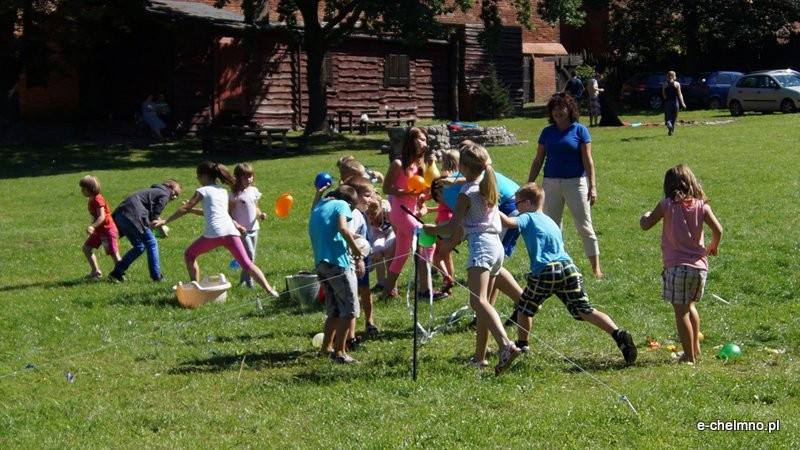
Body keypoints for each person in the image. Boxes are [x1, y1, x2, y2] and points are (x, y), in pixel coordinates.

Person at [501, 183, 638, 365]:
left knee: (524, 307)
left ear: (527, 203)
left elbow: (509, 223)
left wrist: (492, 210)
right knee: (584, 310)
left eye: (516, 203)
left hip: (546, 271)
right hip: (569, 268)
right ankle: (618, 334)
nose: (515, 207)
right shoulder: (549, 220)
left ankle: (522, 344)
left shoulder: (527, 217)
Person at [423, 143, 521, 375]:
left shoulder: (466, 194)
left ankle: (506, 345)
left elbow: (451, 227)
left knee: (479, 302)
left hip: (481, 248)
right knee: (483, 304)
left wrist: (430, 229)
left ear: (464, 167)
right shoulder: (489, 185)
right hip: (496, 246)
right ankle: (479, 358)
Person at [153, 162, 280, 297]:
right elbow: (214, 212)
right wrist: (236, 226)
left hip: (214, 234)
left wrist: (165, 221)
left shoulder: (202, 190)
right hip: (231, 232)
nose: (198, 180)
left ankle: (196, 289)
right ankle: (270, 290)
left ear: (204, 176)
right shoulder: (222, 191)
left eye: (198, 177)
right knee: (247, 264)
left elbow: (186, 207)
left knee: (189, 254)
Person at [639, 164, 723, 364]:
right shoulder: (703, 206)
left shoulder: (666, 205)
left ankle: (689, 357)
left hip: (676, 267)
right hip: (699, 268)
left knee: (681, 312)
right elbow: (718, 230)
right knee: (690, 306)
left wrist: (645, 215)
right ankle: (696, 349)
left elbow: (646, 225)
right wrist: (713, 246)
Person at [529, 93, 603, 278]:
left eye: (561, 108)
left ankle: (596, 268)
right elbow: (538, 160)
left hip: (576, 182)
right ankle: (556, 264)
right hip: (550, 183)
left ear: (570, 110)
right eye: (554, 108)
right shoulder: (547, 132)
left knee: (584, 225)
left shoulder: (580, 131)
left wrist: (592, 186)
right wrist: (530, 182)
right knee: (552, 227)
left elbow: (588, 161)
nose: (557, 112)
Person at [381, 127, 446, 301]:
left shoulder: (419, 166)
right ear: (411, 141)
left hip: (412, 213)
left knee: (401, 255)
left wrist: (437, 185)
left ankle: (385, 294)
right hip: (400, 212)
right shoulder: (398, 164)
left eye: (425, 140)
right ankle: (425, 291)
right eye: (420, 139)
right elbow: (386, 188)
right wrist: (406, 192)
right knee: (428, 241)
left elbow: (423, 193)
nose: (424, 143)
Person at [308, 184, 365, 364]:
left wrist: (318, 192)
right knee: (349, 309)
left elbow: (329, 227)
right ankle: (340, 352)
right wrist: (356, 250)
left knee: (333, 310)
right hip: (338, 264)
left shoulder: (320, 206)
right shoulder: (341, 204)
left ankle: (326, 348)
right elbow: (342, 228)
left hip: (321, 264)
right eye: (352, 209)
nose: (351, 213)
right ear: (349, 202)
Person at [109, 179, 182, 282]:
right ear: (169, 186)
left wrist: (157, 228)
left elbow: (151, 218)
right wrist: (161, 230)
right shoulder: (164, 194)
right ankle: (157, 277)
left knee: (139, 246)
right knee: (152, 243)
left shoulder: (152, 191)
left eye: (177, 196)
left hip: (120, 216)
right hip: (133, 215)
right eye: (175, 193)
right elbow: (155, 218)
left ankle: (116, 273)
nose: (174, 197)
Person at [229, 163, 267, 288]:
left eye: (250, 176)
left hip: (254, 228)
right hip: (241, 231)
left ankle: (242, 281)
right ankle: (250, 283)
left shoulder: (253, 191)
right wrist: (237, 226)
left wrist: (261, 214)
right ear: (238, 178)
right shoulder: (235, 195)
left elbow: (255, 207)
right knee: (249, 255)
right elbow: (228, 214)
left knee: (251, 257)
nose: (249, 180)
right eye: (245, 178)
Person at [79, 175, 120, 279]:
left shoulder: (98, 199)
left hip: (107, 230)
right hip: (99, 231)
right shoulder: (91, 199)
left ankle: (120, 274)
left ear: (90, 189)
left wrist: (92, 226)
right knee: (86, 248)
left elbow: (102, 217)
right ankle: (96, 271)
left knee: (113, 253)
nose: (81, 191)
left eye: (83, 188)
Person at [662, 71, 686, 136]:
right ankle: (671, 131)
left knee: (667, 119)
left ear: (667, 76)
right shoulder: (677, 84)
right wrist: (683, 103)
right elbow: (680, 94)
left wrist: (666, 98)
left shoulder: (664, 84)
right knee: (674, 118)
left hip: (668, 103)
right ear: (674, 76)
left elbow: (664, 95)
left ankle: (670, 127)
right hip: (675, 103)